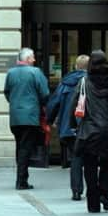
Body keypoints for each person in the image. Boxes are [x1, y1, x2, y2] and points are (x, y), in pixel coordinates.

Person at [70, 50, 108, 213]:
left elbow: (74, 105)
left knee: (89, 166)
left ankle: (93, 203)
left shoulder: (83, 83)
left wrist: (72, 125)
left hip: (89, 132)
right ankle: (104, 193)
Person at [4, 47, 50, 190]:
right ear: (28, 59)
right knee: (25, 148)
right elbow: (45, 93)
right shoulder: (35, 72)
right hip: (30, 116)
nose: (35, 60)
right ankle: (21, 181)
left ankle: (22, 178)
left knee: (20, 146)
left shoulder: (10, 73)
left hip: (15, 117)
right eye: (33, 57)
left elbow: (7, 92)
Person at [46, 54, 89, 201]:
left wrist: (49, 120)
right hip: (88, 127)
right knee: (90, 158)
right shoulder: (93, 82)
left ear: (76, 66)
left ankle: (76, 191)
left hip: (69, 127)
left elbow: (54, 103)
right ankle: (92, 190)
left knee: (76, 158)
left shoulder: (65, 83)